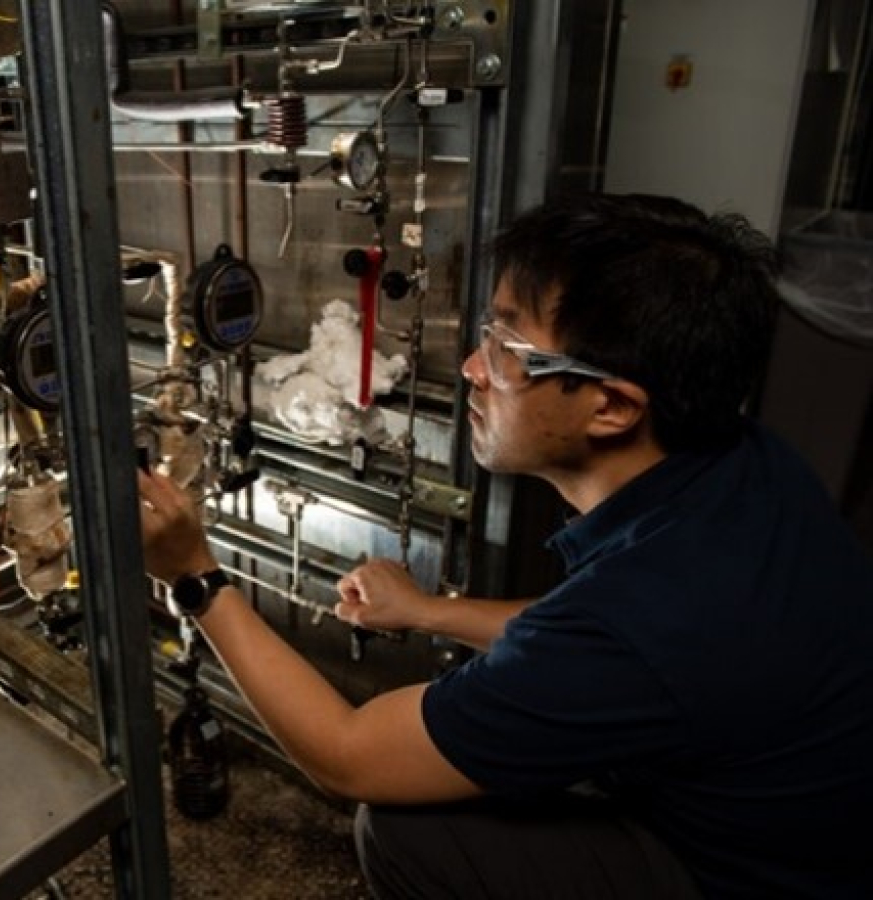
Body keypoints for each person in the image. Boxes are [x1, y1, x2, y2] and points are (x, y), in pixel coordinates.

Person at [137, 192, 873, 899]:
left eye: (507, 346)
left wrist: (195, 577)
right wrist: (429, 612)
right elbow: (592, 636)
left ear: (612, 405)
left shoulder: (650, 614)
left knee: (408, 832)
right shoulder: (742, 467)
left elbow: (348, 757)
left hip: (758, 878)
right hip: (801, 822)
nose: (473, 370)